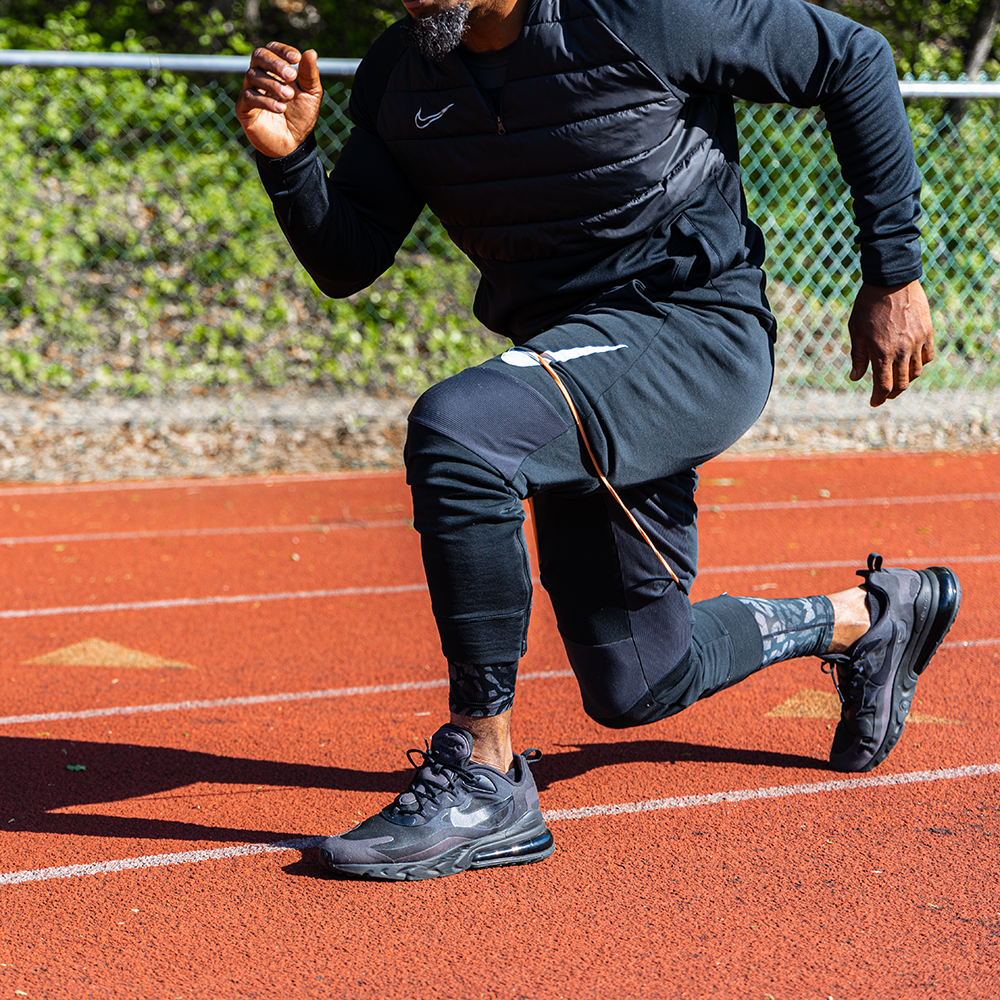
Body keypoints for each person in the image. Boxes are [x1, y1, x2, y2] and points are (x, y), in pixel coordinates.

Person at [235, 0, 961, 881]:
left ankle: (484, 772)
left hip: (693, 332)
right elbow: (349, 259)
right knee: (639, 680)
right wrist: (290, 161)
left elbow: (853, 56)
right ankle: (870, 618)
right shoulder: (401, 72)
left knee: (460, 432)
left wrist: (894, 274)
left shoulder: (640, 15)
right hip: (567, 360)